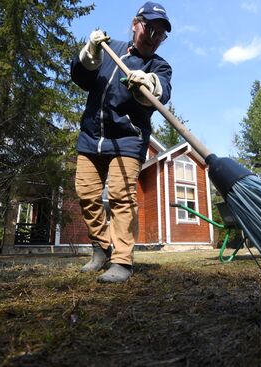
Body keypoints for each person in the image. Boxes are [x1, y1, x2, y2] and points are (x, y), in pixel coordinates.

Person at [70, 2, 172, 283]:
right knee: (87, 195)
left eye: (160, 34)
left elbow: (161, 93)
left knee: (121, 197)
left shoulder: (159, 65)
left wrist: (147, 83)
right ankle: (101, 247)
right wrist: (90, 52)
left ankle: (122, 260)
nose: (153, 37)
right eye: (150, 28)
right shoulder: (110, 48)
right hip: (91, 137)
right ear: (135, 23)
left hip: (128, 141)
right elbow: (80, 76)